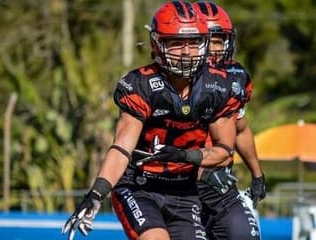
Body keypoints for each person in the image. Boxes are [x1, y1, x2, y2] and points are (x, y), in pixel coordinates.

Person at [62, 1, 240, 239]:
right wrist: (96, 193)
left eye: (193, 42)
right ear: (157, 44)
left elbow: (224, 150)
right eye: (176, 43)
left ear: (204, 43)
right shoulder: (141, 85)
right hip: (139, 186)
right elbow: (122, 147)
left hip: (184, 191)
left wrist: (183, 156)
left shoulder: (218, 86)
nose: (186, 52)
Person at [192, 1, 266, 239]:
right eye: (208, 40)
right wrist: (202, 172)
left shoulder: (235, 77)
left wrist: (257, 175)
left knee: (244, 235)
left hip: (220, 185)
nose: (215, 48)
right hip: (179, 188)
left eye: (219, 40)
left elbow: (241, 128)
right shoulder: (171, 82)